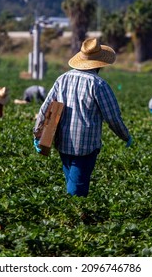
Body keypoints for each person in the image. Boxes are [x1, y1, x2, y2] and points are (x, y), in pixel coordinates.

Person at [33, 38, 133, 197]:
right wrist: (125, 135)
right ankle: (75, 216)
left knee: (71, 182)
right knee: (76, 190)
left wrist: (37, 134)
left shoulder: (62, 79)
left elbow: (45, 108)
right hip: (85, 147)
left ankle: (72, 215)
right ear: (100, 64)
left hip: (63, 143)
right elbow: (112, 117)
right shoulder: (98, 84)